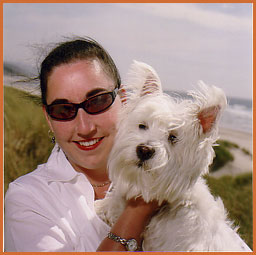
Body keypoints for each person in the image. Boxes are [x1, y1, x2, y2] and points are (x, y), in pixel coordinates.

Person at [4, 37, 160, 252]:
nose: (85, 128)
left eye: (97, 101)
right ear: (48, 118)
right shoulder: (29, 198)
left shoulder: (168, 173)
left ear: (123, 100)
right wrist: (139, 209)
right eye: (63, 110)